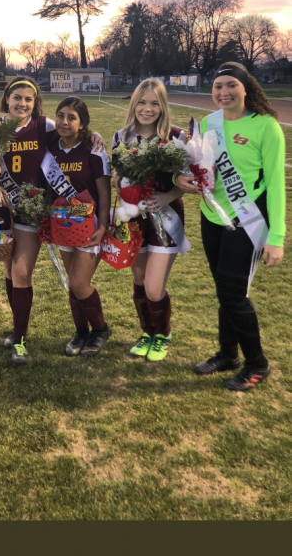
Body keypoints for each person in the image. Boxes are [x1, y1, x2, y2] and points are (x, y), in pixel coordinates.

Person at [175, 62, 285, 391]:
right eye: (218, 86)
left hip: (248, 220)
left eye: (231, 86)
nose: (224, 92)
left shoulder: (266, 126)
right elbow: (198, 164)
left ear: (245, 88)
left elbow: (276, 184)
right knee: (224, 291)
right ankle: (228, 354)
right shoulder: (208, 122)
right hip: (212, 217)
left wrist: (276, 237)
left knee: (234, 294)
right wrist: (185, 178)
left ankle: (257, 363)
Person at [0, 77, 105, 366]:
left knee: (20, 271)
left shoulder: (44, 126)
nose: (22, 103)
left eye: (28, 99)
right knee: (7, 270)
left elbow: (73, 137)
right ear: (7, 98)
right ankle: (18, 327)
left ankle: (19, 340)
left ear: (35, 102)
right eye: (17, 97)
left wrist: (94, 136)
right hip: (3, 212)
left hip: (31, 209)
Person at [112, 78, 188, 362]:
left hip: (165, 218)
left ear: (163, 106)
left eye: (155, 103)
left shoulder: (176, 136)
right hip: (134, 219)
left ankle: (163, 334)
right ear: (134, 104)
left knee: (155, 288)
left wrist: (168, 196)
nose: (147, 109)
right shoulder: (120, 137)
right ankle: (147, 332)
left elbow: (187, 180)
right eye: (142, 102)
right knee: (140, 279)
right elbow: (118, 179)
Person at [48, 97, 111, 357]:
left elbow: (104, 194)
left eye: (71, 117)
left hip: (90, 226)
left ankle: (100, 330)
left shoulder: (94, 151)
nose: (64, 121)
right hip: (62, 224)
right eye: (60, 115)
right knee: (71, 283)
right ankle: (81, 332)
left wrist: (103, 225)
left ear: (82, 123)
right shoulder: (50, 149)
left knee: (79, 281)